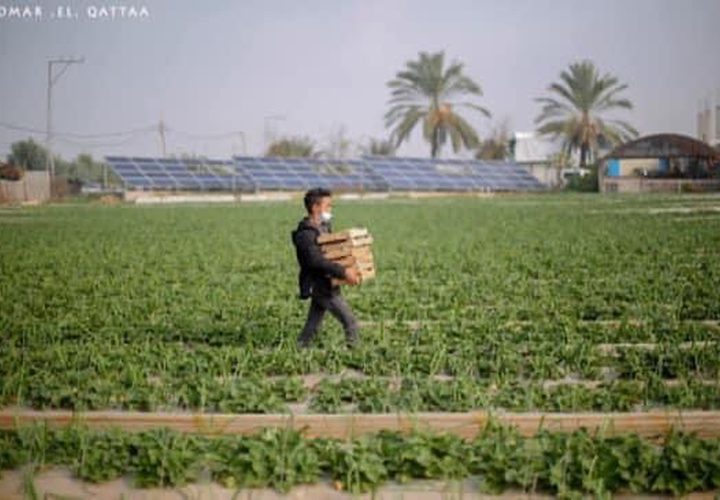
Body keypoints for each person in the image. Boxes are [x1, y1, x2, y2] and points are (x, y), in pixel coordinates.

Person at [291, 187, 361, 348]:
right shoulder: (305, 235)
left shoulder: (324, 227)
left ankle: (300, 348)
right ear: (315, 207)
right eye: (328, 205)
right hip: (320, 286)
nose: (330, 209)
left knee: (312, 327)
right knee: (350, 322)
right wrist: (344, 272)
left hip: (327, 284)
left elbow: (331, 253)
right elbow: (316, 261)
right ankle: (356, 355)